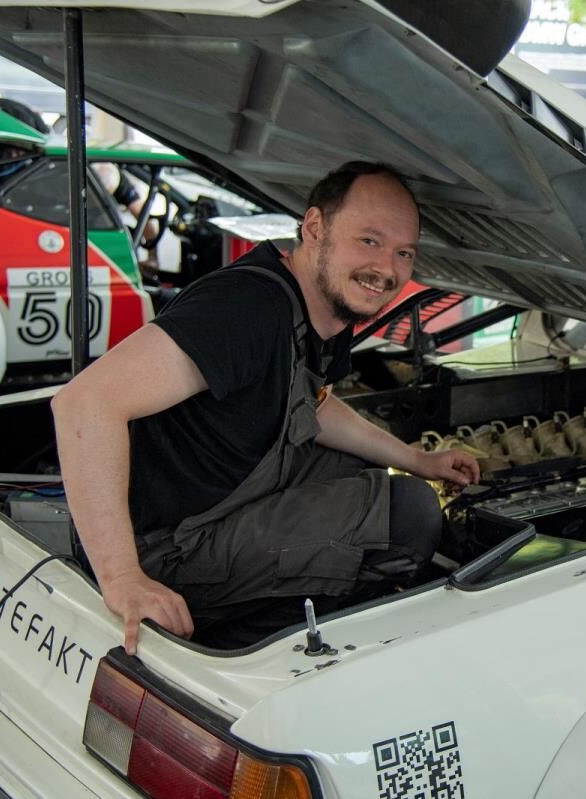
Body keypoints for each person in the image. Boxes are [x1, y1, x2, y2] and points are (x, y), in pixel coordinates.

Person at [52, 161, 480, 651]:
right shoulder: (247, 308)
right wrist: (123, 577)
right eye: (369, 241)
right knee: (408, 516)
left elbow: (312, 406)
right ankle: (237, 645)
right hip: (164, 548)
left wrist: (417, 460)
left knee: (366, 471)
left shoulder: (322, 310)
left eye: (403, 252)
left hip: (218, 506)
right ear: (315, 227)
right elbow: (84, 403)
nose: (386, 268)